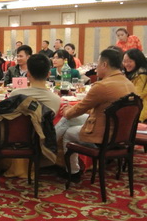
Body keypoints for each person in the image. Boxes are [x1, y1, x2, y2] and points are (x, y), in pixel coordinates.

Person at [56, 49, 136, 181]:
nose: (95, 68)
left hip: (103, 136)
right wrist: (69, 113)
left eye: (97, 64)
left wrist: (67, 111)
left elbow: (79, 109)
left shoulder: (102, 86)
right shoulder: (129, 83)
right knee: (69, 119)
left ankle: (72, 171)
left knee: (69, 131)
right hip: (122, 135)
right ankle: (50, 142)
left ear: (104, 65)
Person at [122, 48, 147, 122]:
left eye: (130, 61)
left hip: (141, 111)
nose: (126, 64)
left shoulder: (141, 75)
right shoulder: (133, 74)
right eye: (124, 61)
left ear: (137, 61)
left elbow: (136, 96)